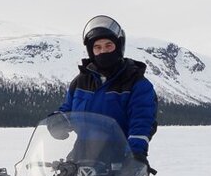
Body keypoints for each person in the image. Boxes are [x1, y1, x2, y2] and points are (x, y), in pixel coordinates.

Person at [58, 15, 157, 162]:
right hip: (80, 159)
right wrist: (58, 121)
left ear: (118, 47)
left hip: (119, 162)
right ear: (91, 51)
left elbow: (141, 122)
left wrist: (135, 152)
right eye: (97, 47)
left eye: (108, 45)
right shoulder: (81, 82)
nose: (103, 51)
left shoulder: (136, 83)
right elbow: (68, 110)